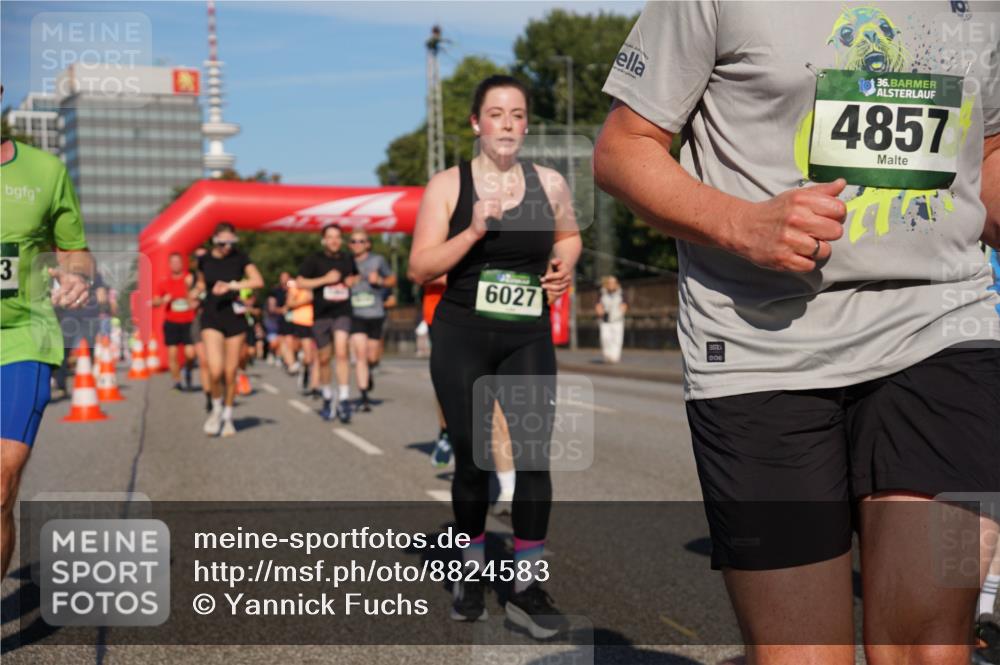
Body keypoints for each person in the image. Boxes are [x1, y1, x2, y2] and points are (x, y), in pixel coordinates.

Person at [594, 4, 1000, 663]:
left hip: (942, 329)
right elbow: (622, 149)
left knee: (931, 647)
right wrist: (740, 225)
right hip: (761, 347)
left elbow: (984, 152)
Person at [408, 75, 581, 637]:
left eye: (517, 115)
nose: (507, 124)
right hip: (461, 335)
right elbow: (421, 267)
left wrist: (564, 261)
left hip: (526, 333)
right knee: (474, 459)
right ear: (475, 123)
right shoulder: (447, 186)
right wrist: (474, 232)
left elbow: (570, 234)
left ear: (526, 125)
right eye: (496, 114)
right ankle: (471, 568)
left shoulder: (549, 182)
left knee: (533, 457)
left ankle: (528, 587)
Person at [1, 128, 94, 579]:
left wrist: (76, 276)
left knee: (1, 483)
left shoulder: (45, 171)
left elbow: (74, 249)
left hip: (21, 333)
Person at [194, 223, 263, 437]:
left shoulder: (241, 258)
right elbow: (200, 284)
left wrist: (232, 286)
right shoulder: (204, 260)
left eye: (231, 242)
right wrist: (194, 293)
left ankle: (228, 416)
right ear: (214, 240)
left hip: (234, 317)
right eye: (223, 242)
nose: (227, 247)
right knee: (215, 370)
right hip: (211, 315)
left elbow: (258, 281)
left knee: (230, 372)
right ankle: (216, 410)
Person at [293, 224, 357, 422]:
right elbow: (300, 282)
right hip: (321, 314)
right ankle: (328, 397)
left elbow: (355, 276)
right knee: (323, 358)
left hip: (342, 311)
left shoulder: (348, 258)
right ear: (324, 240)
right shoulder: (314, 260)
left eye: (337, 237)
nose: (334, 240)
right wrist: (325, 279)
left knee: (341, 351)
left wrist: (351, 281)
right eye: (330, 237)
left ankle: (344, 399)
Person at [347, 229, 395, 411]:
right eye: (353, 241)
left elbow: (392, 280)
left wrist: (381, 281)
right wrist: (345, 281)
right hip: (355, 313)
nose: (357, 244)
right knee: (359, 354)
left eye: (361, 241)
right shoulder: (346, 262)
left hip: (375, 313)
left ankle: (369, 371)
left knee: (372, 356)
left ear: (368, 243)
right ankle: (364, 396)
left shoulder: (378, 260)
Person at [153, 252, 196, 391]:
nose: (176, 264)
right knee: (173, 354)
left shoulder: (189, 279)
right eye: (173, 262)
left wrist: (191, 294)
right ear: (170, 265)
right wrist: (163, 300)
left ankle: (188, 371)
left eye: (178, 262)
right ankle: (177, 380)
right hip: (172, 322)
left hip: (189, 321)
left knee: (191, 354)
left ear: (182, 264)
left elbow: (198, 297)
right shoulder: (164, 282)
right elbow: (154, 302)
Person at [595, 275, 627, 364]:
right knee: (605, 338)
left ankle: (615, 357)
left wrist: (620, 313)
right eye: (609, 283)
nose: (611, 284)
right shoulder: (602, 293)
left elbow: (624, 305)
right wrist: (599, 312)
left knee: (617, 339)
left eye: (613, 282)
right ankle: (607, 356)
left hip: (617, 320)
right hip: (605, 319)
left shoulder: (621, 293)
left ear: (617, 284)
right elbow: (598, 305)